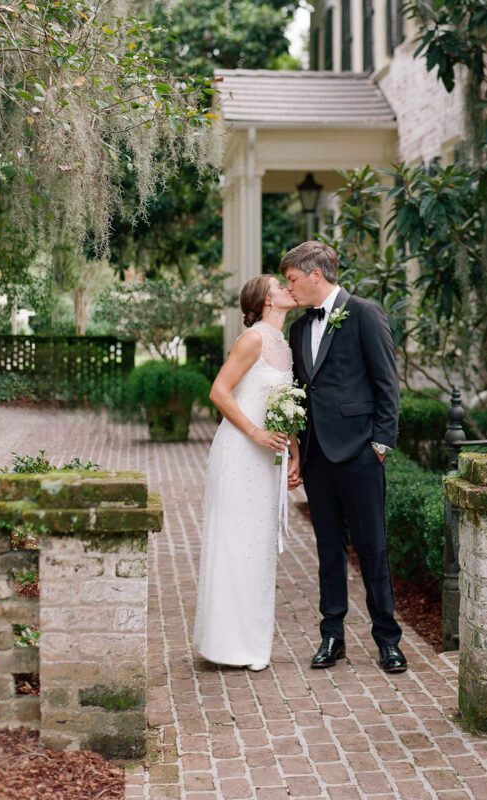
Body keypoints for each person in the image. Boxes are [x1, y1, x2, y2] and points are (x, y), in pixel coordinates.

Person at [281, 241, 406, 673]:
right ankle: (331, 636)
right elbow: (300, 391)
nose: (288, 288)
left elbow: (386, 383)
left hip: (360, 453)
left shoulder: (365, 313)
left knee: (372, 548)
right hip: (318, 455)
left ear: (316, 274)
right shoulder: (298, 330)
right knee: (328, 549)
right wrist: (297, 447)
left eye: (292, 279)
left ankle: (387, 639)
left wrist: (381, 445)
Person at [193, 274, 299, 671]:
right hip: (240, 452)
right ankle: (225, 644)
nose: (288, 289)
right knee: (235, 543)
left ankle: (253, 643)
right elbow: (219, 391)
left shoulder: (284, 345)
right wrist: (254, 432)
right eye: (279, 285)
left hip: (268, 457)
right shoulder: (252, 339)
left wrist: (294, 452)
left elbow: (284, 406)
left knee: (257, 546)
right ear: (266, 300)